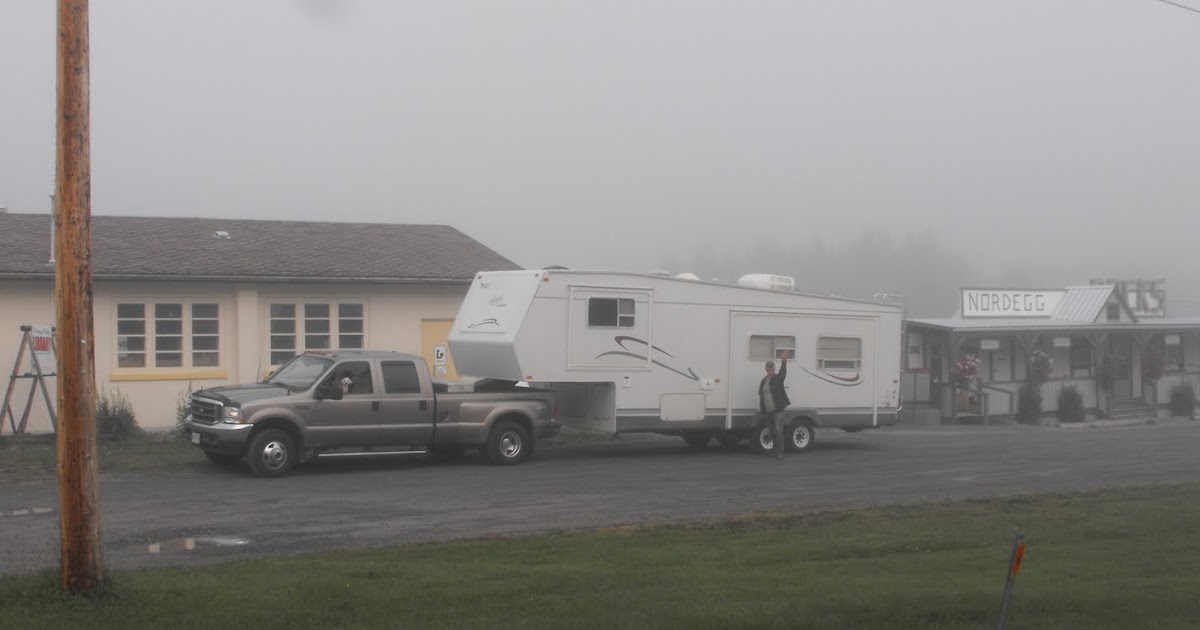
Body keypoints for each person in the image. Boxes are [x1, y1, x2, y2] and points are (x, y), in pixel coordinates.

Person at [758, 352, 792, 459]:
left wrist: (784, 361)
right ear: (765, 369)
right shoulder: (763, 381)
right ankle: (775, 450)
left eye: (771, 367)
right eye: (768, 367)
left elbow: (783, 372)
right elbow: (762, 396)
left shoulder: (778, 378)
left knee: (778, 430)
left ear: (774, 368)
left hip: (778, 410)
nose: (770, 369)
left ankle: (780, 453)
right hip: (768, 411)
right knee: (772, 431)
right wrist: (762, 410)